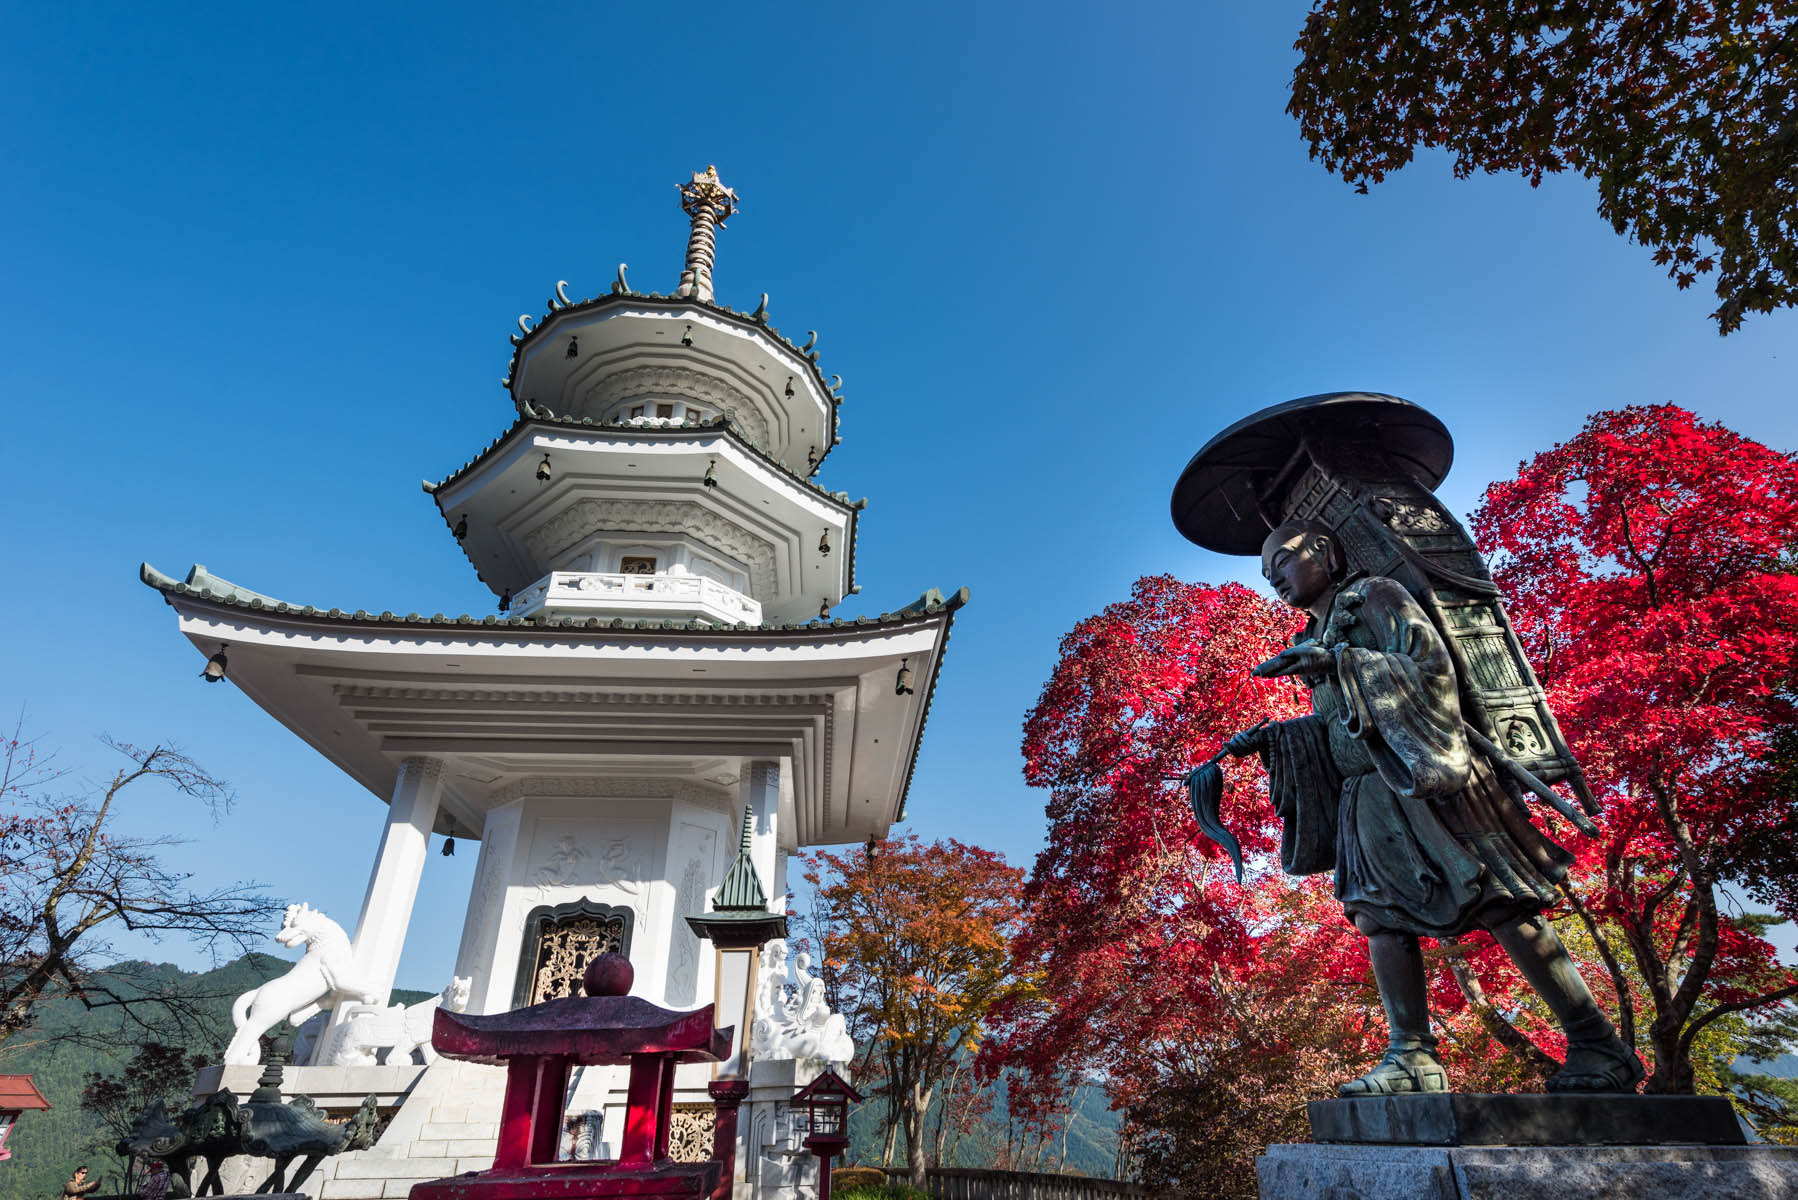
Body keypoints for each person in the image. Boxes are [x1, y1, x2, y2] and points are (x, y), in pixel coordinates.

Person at [1223, 519, 1644, 1096]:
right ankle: (1412, 1055)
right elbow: (1334, 726)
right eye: (1266, 575)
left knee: (1497, 899)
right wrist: (1275, 738)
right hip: (1366, 793)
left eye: (1283, 563)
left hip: (1425, 775)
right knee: (1376, 916)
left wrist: (1339, 662)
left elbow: (1430, 672)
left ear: (1323, 550)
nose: (1276, 581)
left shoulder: (1375, 597)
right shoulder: (1313, 631)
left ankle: (1597, 1043)